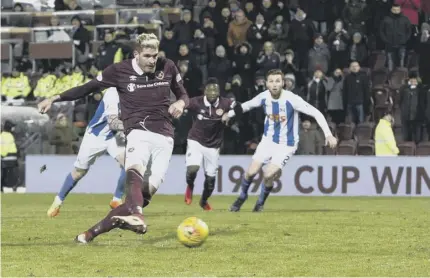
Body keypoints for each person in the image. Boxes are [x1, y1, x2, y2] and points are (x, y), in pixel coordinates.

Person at [37, 33, 189, 243]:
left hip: (165, 137)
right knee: (133, 170)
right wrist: (54, 98)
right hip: (137, 132)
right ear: (136, 54)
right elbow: (87, 88)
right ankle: (137, 215)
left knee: (142, 198)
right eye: (147, 56)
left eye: (155, 55)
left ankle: (89, 234)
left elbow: (183, 94)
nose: (153, 60)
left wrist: (180, 104)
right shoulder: (119, 71)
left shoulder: (168, 66)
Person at [222, 69, 337, 212]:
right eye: (271, 81)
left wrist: (328, 134)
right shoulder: (263, 97)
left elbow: (316, 112)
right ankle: (242, 197)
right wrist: (230, 114)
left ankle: (260, 203)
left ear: (283, 83)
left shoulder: (292, 99)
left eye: (277, 81)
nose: (274, 84)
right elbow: (246, 106)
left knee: (269, 174)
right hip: (268, 141)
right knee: (251, 172)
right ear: (266, 84)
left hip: (286, 144)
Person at [46, 87, 127, 218]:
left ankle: (116, 200)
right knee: (79, 173)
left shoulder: (135, 92)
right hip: (95, 136)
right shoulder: (112, 93)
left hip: (114, 136)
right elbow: (113, 123)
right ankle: (58, 201)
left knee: (130, 163)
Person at [184, 78, 235, 211]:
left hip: (214, 145)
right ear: (204, 90)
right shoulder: (197, 102)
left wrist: (229, 115)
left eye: (215, 89)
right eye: (209, 89)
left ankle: (203, 201)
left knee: (210, 182)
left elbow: (240, 108)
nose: (212, 92)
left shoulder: (226, 103)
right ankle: (190, 186)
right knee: (192, 169)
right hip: (196, 140)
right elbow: (182, 103)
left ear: (219, 91)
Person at [1, 120, 19, 193]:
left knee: (4, 174)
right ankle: (13, 186)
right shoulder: (8, 136)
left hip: (6, 158)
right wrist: (3, 155)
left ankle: (2, 187)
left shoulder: (3, 135)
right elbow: (5, 147)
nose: (13, 128)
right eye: (12, 127)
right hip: (9, 158)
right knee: (13, 174)